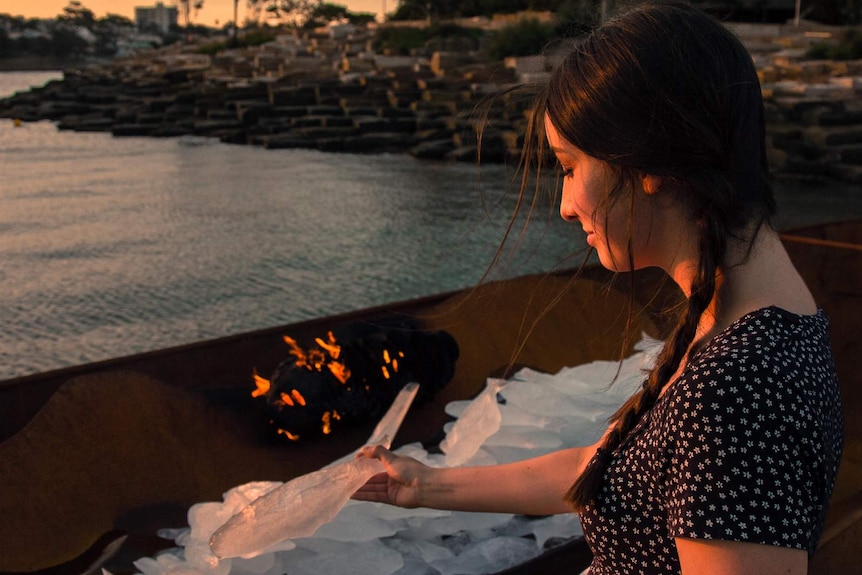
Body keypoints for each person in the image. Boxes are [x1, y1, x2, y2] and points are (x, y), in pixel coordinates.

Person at [352, 2, 844, 574]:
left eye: (567, 167)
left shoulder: (737, 391)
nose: (563, 207)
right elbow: (618, 470)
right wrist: (427, 487)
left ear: (649, 161)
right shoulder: (755, 319)